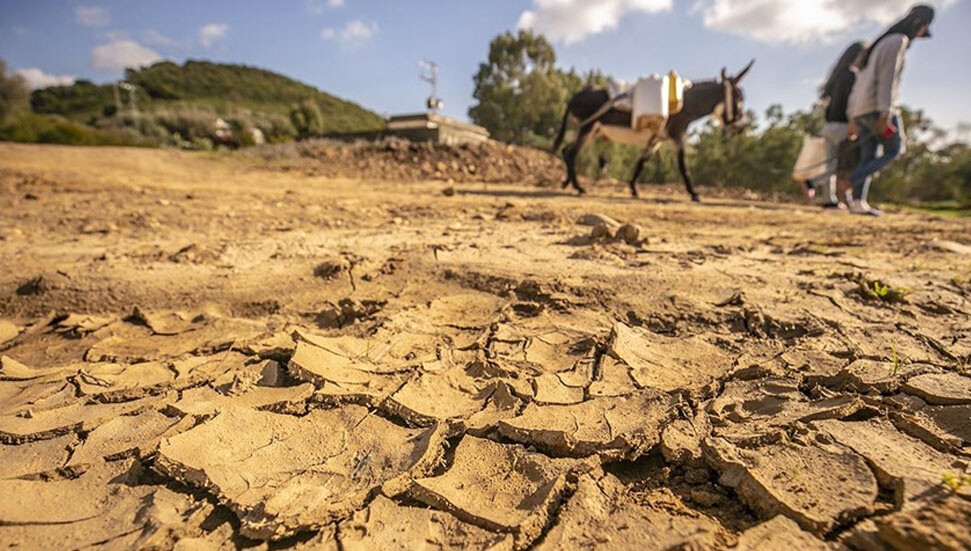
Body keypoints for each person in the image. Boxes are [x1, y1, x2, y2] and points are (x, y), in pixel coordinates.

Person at [846, 4, 935, 216]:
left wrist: (853, 116)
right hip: (878, 107)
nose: (920, 36)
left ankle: (858, 202)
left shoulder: (878, 45)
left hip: (862, 109)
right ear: (918, 25)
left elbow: (859, 85)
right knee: (894, 149)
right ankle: (851, 180)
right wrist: (886, 113)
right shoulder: (897, 42)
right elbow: (888, 80)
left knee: (869, 154)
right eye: (922, 30)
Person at [810, 41, 867, 209]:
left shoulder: (837, 76)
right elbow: (853, 103)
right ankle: (813, 182)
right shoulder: (852, 75)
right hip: (843, 125)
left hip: (828, 125)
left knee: (829, 163)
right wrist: (854, 122)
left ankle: (829, 199)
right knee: (843, 164)